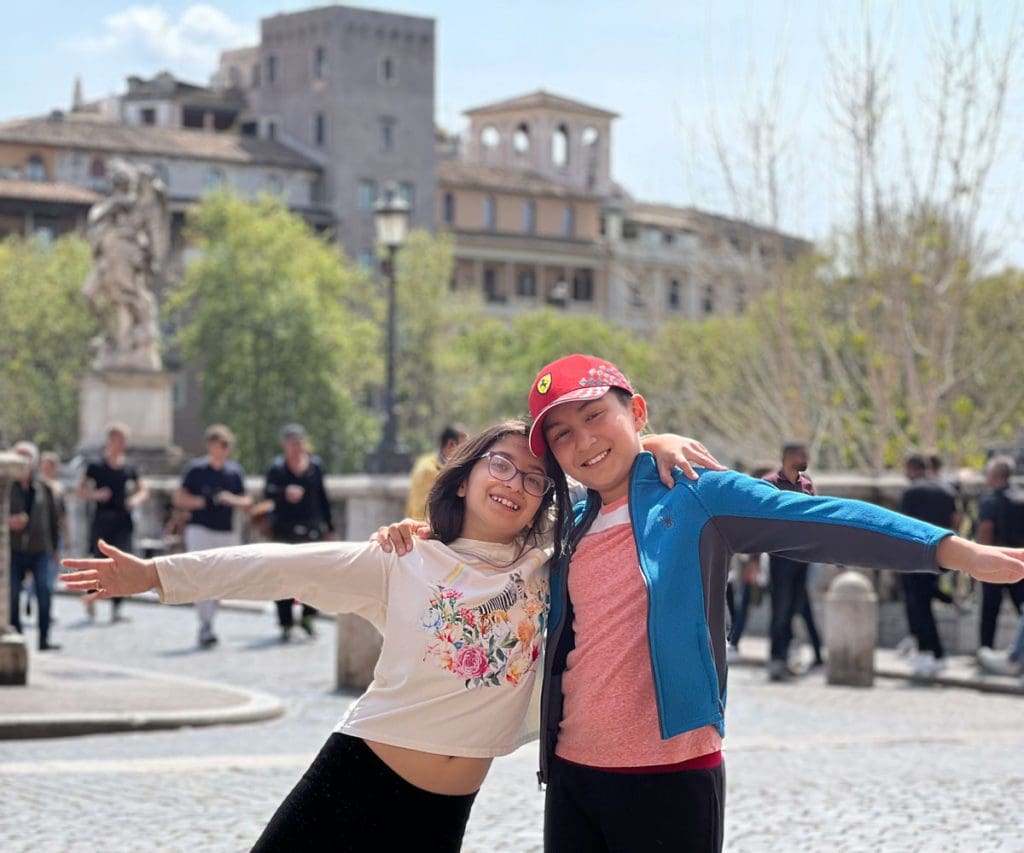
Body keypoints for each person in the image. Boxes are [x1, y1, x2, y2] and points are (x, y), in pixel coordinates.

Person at [60, 421, 716, 851]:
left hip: (440, 819)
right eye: (502, 465)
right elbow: (275, 565)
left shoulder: (550, 561)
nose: (516, 483)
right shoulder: (400, 559)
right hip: (350, 787)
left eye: (535, 478)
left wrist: (649, 444)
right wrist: (152, 574)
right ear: (465, 473)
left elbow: (607, 482)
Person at [518, 353, 1024, 853]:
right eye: (562, 434)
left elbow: (818, 520)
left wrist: (951, 550)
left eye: (594, 416)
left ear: (637, 411)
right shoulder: (571, 521)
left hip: (668, 772)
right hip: (572, 772)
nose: (582, 441)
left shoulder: (694, 495)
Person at [172, 424, 252, 648]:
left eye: (228, 445)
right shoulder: (196, 470)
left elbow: (247, 501)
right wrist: (203, 502)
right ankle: (205, 624)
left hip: (225, 530)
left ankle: (209, 619)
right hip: (200, 528)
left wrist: (230, 499)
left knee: (221, 580)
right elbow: (179, 498)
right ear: (211, 446)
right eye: (222, 445)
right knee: (202, 575)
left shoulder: (234, 472)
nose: (226, 449)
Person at [262, 423, 334, 640]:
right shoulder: (277, 468)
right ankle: (285, 621)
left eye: (300, 442)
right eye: (292, 442)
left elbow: (323, 498)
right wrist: (285, 492)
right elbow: (267, 492)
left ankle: (308, 616)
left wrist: (329, 528)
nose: (297, 446)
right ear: (285, 445)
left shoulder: (315, 466)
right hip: (284, 529)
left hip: (311, 528)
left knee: (314, 575)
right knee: (282, 576)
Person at [762, 442, 824, 679]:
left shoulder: (806, 484)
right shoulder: (770, 483)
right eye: (801, 456)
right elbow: (759, 522)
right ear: (787, 457)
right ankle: (776, 658)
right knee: (780, 609)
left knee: (796, 608)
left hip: (802, 557)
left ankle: (790, 656)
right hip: (780, 557)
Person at [76, 422, 149, 622]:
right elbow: (80, 490)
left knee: (121, 562)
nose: (122, 443)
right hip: (102, 520)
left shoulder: (129, 467)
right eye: (119, 439)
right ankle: (91, 597)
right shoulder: (96, 466)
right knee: (99, 561)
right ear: (110, 440)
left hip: (123, 521)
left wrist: (135, 499)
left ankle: (117, 607)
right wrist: (96, 494)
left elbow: (143, 490)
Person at [898, 451, 960, 676]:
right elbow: (956, 521)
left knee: (920, 607)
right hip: (940, 553)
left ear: (912, 469)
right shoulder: (946, 489)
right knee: (926, 600)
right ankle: (929, 651)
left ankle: (932, 652)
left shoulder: (912, 491)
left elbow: (903, 525)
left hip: (915, 555)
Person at [9, 441, 61, 651]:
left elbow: (53, 519)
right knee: (12, 595)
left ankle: (44, 638)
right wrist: (8, 522)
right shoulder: (5, 486)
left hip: (40, 549)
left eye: (26, 458)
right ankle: (16, 636)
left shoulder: (43, 488)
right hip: (13, 550)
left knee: (44, 591)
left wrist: (55, 548)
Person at [976, 455, 1024, 651]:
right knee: (1022, 607)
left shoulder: (990, 500)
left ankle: (985, 649)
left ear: (995, 475)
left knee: (989, 610)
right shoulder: (1021, 498)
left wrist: (980, 558)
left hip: (995, 561)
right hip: (1020, 561)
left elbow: (986, 529)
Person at [405, 425, 467, 520]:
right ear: (451, 445)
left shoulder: (438, 464)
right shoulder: (428, 469)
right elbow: (421, 512)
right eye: (465, 447)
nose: (469, 453)